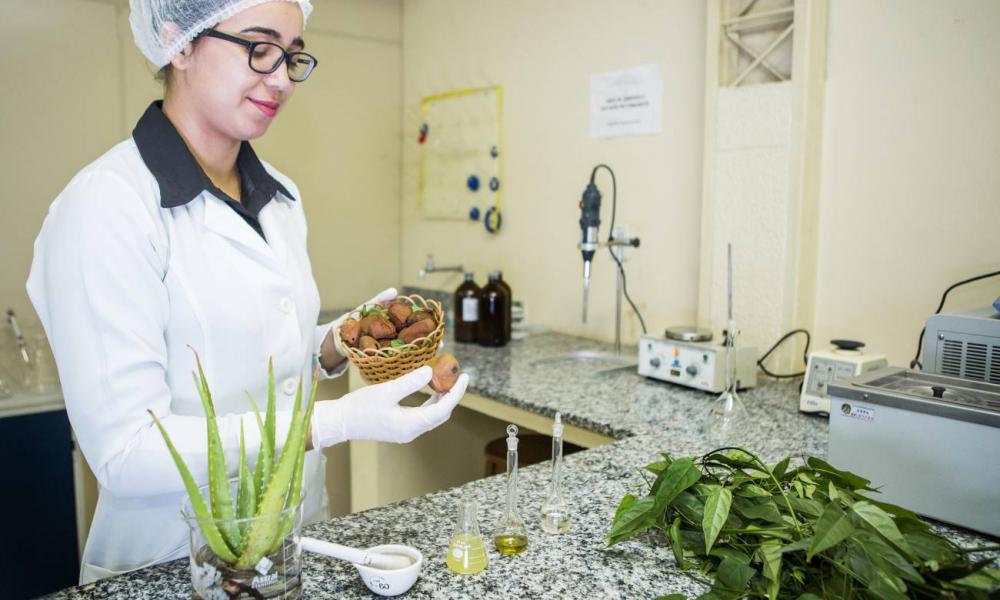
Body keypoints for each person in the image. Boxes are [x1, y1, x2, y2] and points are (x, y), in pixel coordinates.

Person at [26, 0, 469, 583]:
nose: (281, 79)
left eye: (292, 56)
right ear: (178, 43)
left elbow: (257, 353)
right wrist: (329, 425)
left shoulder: (279, 195)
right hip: (168, 563)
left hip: (294, 540)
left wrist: (334, 343)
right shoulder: (104, 207)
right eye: (259, 49)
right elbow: (127, 450)